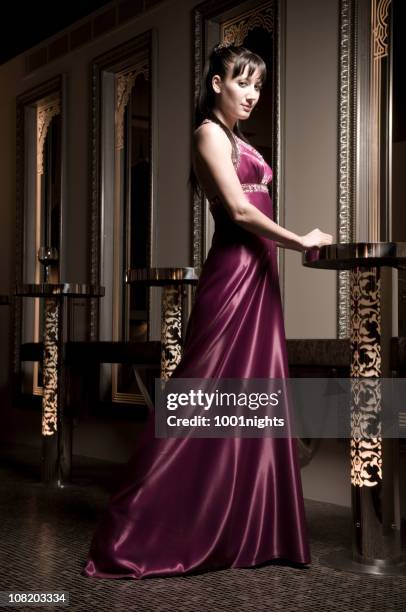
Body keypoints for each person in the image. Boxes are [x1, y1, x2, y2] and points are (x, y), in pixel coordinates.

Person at [81, 43, 333, 580]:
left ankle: (250, 532)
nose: (252, 94)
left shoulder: (238, 139)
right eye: (243, 82)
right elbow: (240, 210)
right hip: (232, 277)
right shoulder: (207, 134)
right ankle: (135, 528)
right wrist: (303, 239)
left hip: (261, 278)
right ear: (216, 83)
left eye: (258, 86)